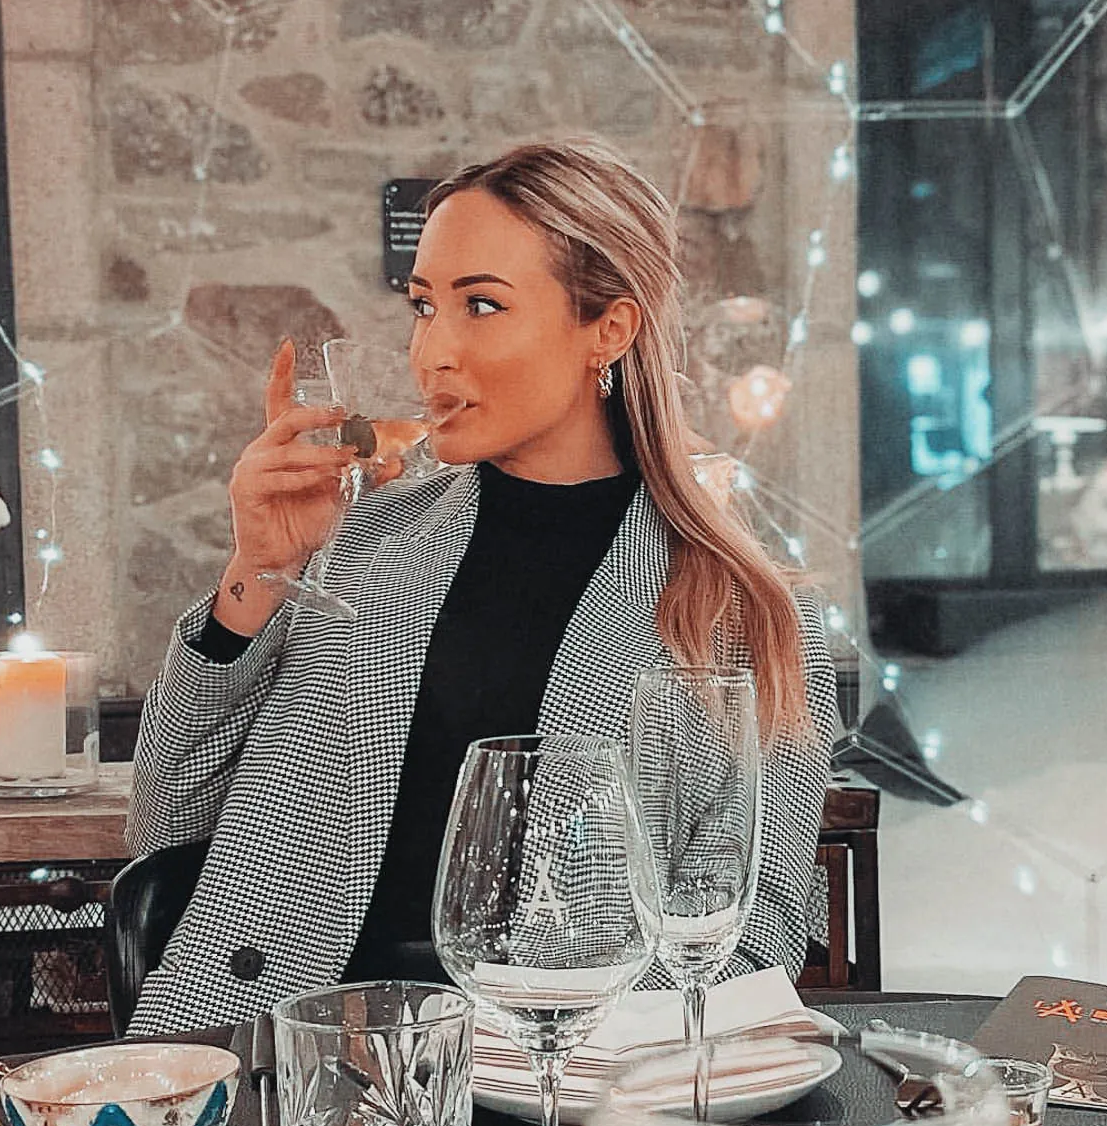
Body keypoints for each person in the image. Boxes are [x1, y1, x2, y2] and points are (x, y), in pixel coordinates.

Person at [124, 138, 839, 1036]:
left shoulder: (737, 606)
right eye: (424, 306)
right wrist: (257, 574)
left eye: (483, 306)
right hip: (274, 1055)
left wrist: (558, 1059)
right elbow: (165, 822)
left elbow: (753, 923)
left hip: (566, 1090)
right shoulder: (364, 540)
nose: (433, 352)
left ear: (607, 331)